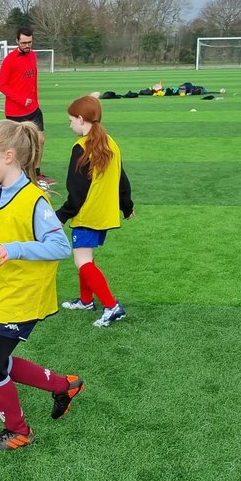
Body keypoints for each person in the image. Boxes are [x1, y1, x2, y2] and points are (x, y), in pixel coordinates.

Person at [0, 119, 80, 451]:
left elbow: (60, 247)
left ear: (9, 156)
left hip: (22, 297)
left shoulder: (34, 200)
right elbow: (2, 231)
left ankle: (19, 430)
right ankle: (63, 386)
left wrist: (16, 249)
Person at [55, 95, 134, 327]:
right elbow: (122, 180)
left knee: (82, 261)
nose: (69, 124)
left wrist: (62, 214)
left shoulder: (81, 148)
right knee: (86, 257)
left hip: (87, 214)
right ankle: (86, 301)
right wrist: (127, 207)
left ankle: (112, 306)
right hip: (104, 214)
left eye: (71, 120)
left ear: (81, 119)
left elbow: (76, 190)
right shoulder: (111, 143)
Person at [0, 27, 51, 187]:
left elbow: (33, 80)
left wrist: (35, 101)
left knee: (40, 140)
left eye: (30, 42)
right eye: (24, 42)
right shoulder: (10, 60)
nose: (27, 45)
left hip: (33, 108)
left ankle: (36, 173)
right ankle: (12, 176)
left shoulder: (33, 55)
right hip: (15, 111)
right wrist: (21, 99)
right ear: (17, 41)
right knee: (18, 147)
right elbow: (2, 86)